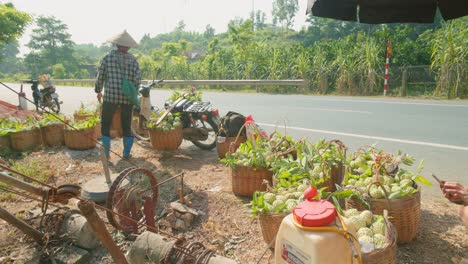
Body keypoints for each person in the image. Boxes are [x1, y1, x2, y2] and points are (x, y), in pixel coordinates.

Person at [95, 30, 141, 160]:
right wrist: (132, 92)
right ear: (128, 46)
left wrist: (98, 89)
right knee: (126, 125)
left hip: (110, 96)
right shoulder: (133, 60)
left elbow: (101, 77)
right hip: (127, 98)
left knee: (106, 124)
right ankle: (126, 154)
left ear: (116, 44)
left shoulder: (108, 58)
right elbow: (137, 80)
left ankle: (107, 155)